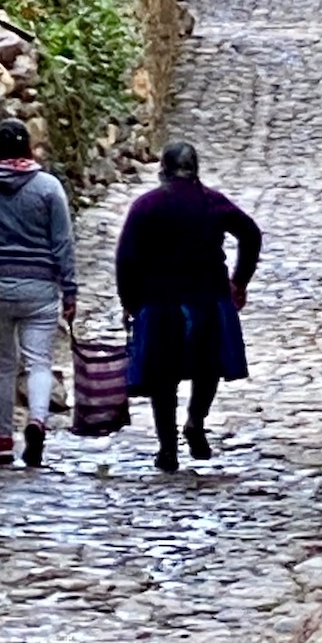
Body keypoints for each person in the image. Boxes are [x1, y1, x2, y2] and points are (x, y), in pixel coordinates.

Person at [115, 141, 262, 472]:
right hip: (207, 298)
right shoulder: (212, 202)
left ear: (163, 170)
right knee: (207, 367)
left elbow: (126, 258)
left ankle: (168, 448)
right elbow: (250, 234)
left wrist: (130, 301)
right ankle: (196, 419)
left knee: (162, 377)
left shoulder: (146, 206)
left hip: (160, 302)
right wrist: (240, 281)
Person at [0, 117, 77, 467]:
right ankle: (37, 420)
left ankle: (3, 439)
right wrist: (69, 291)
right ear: (28, 149)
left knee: (3, 366)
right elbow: (62, 244)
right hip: (40, 289)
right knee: (39, 362)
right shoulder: (49, 188)